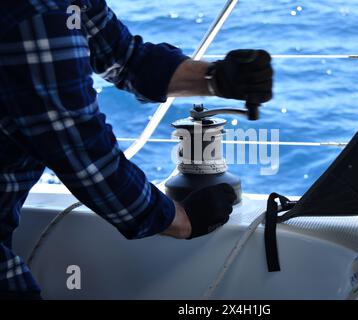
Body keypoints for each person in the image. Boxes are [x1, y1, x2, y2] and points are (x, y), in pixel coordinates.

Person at [0, 0, 273, 299]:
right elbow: (79, 149)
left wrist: (217, 78)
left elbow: (125, 57)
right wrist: (180, 220)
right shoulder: (39, 11)